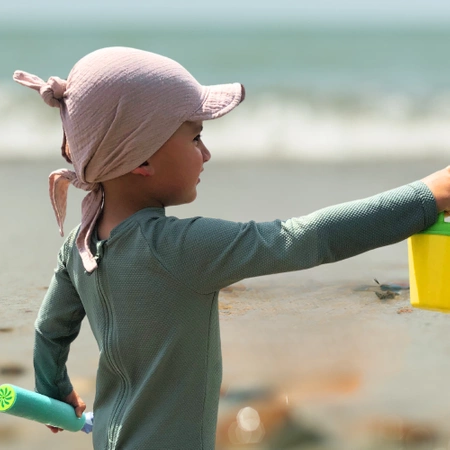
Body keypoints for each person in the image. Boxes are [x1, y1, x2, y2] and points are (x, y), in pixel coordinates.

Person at [13, 46, 450, 450]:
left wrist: (52, 388)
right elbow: (304, 239)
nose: (206, 154)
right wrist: (427, 195)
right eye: (195, 137)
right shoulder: (179, 249)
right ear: (141, 160)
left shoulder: (79, 245)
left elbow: (49, 331)